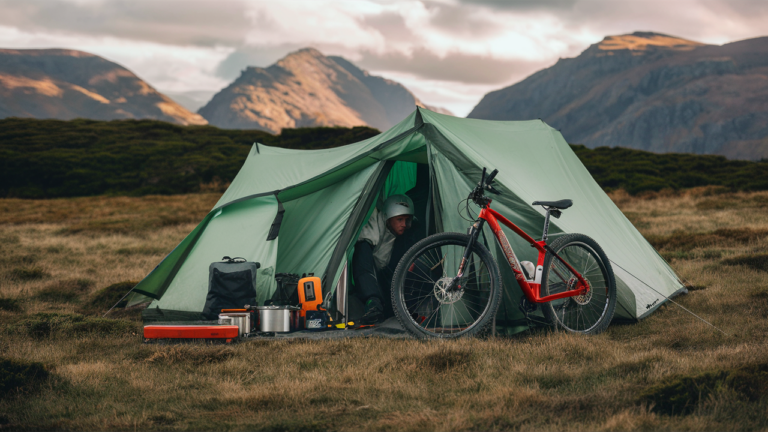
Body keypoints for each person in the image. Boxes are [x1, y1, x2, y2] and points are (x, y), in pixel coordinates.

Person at [353, 194, 420, 324]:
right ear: (387, 218)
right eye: (399, 219)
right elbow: (364, 259)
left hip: (388, 276)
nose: (404, 224)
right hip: (369, 272)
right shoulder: (374, 224)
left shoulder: (406, 234)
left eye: (407, 220)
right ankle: (373, 304)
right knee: (362, 251)